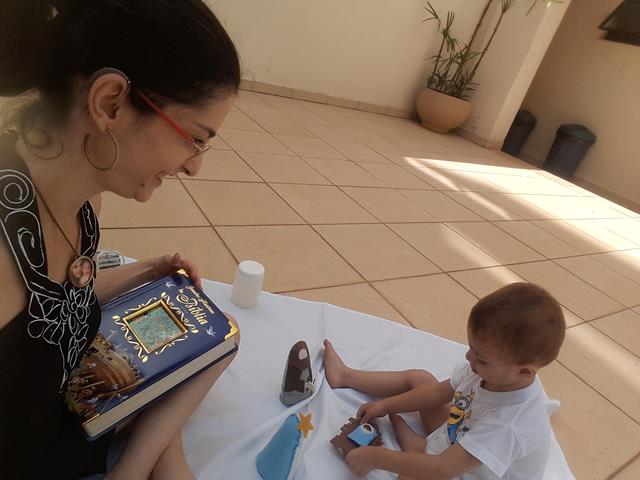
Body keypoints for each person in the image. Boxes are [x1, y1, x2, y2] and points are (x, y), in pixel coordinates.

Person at [0, 1, 241, 479]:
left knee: (222, 336)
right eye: (194, 139)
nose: (194, 165)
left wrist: (149, 269)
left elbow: (55, 305)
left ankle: (137, 462)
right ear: (110, 102)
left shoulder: (83, 204)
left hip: (64, 413)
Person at [323, 282, 566, 480]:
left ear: (524, 372)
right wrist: (385, 406)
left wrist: (375, 457)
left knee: (412, 476)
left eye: (481, 358)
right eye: (471, 349)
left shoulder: (510, 425)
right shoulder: (488, 372)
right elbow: (434, 394)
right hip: (458, 440)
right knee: (421, 380)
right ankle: (346, 376)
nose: (468, 358)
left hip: (469, 470)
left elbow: (443, 469)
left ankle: (420, 452)